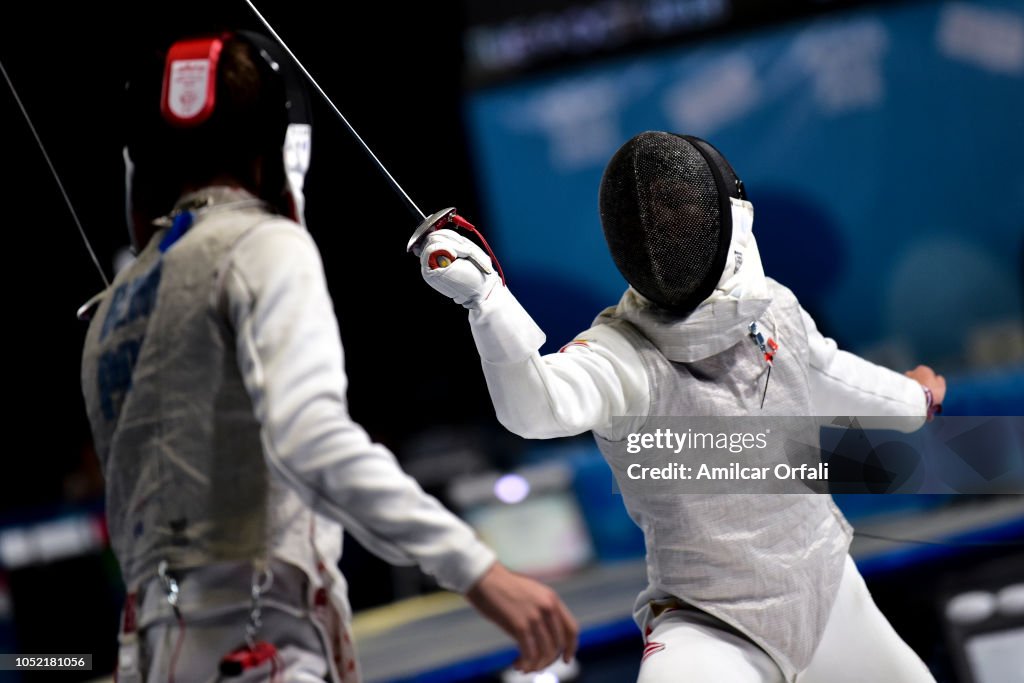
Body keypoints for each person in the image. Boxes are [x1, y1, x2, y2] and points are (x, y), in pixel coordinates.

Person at [80, 30, 576, 682]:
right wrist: (478, 568)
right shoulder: (262, 246)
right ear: (280, 147)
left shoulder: (107, 314)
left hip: (151, 652)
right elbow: (309, 438)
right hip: (258, 643)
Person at [417, 131, 945, 683]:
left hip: (827, 585)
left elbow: (832, 374)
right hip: (714, 624)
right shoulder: (623, 355)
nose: (663, 224)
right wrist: (488, 303)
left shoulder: (774, 310)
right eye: (650, 214)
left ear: (723, 212)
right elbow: (536, 408)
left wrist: (915, 398)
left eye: (678, 204)